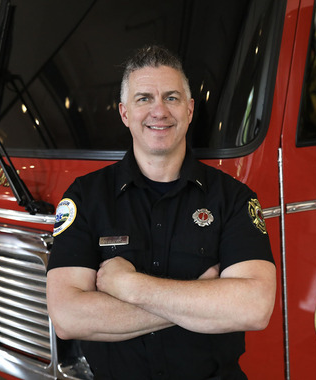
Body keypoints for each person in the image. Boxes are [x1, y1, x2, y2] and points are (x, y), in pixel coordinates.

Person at [46, 45, 276, 379]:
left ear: (190, 109)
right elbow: (67, 317)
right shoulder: (86, 196)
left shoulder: (234, 198)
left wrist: (130, 286)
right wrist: (198, 300)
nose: (159, 111)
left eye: (171, 98)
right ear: (125, 113)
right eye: (144, 99)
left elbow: (254, 308)